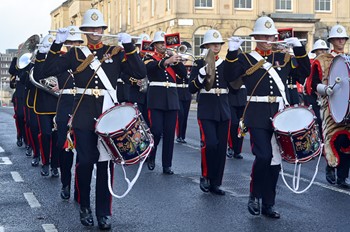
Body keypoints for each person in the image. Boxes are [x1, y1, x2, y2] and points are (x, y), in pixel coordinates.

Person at [42, 8, 146, 230]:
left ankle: (104, 212)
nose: (96, 31)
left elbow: (139, 74)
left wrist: (130, 47)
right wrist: (55, 45)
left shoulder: (115, 52)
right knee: (86, 162)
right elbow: (46, 69)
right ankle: (84, 207)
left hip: (108, 116)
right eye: (91, 28)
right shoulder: (76, 54)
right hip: (83, 116)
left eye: (99, 28)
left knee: (105, 166)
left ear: (102, 30)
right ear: (85, 31)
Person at [224, 16, 310, 218]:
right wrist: (231, 52)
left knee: (276, 161)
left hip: (280, 115)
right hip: (256, 114)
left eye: (270, 36)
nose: (267, 39)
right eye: (263, 35)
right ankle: (254, 195)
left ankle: (268, 203)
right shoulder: (245, 58)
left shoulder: (283, 57)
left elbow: (303, 73)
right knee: (263, 156)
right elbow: (230, 77)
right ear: (255, 37)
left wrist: (298, 49)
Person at [189, 29, 231, 195]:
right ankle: (205, 175)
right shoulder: (199, 64)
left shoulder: (226, 64)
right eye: (212, 44)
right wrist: (200, 76)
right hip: (207, 107)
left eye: (218, 44)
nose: (216, 46)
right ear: (205, 45)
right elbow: (191, 88)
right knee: (210, 143)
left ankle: (216, 182)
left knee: (221, 147)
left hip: (224, 107)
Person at [310, 24, 350, 189]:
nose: (340, 41)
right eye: (337, 38)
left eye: (343, 38)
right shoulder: (322, 60)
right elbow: (313, 85)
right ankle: (331, 166)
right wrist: (326, 90)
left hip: (348, 106)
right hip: (330, 105)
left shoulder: (349, 58)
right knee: (331, 138)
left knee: (347, 141)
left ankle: (342, 176)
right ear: (332, 40)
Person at [144, 30, 187, 174]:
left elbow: (182, 74)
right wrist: (166, 61)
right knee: (156, 131)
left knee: (169, 133)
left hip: (172, 98)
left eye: (164, 43)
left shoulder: (173, 58)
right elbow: (149, 69)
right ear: (154, 45)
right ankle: (151, 154)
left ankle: (166, 164)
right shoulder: (149, 58)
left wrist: (175, 60)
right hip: (156, 98)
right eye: (159, 43)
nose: (163, 46)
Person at [33, 34, 60, 177]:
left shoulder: (59, 59)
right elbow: (37, 76)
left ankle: (55, 164)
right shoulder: (40, 60)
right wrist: (40, 55)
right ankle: (45, 163)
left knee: (56, 136)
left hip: (57, 104)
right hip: (43, 105)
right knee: (46, 134)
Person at [304, 39, 329, 142]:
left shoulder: (329, 63)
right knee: (316, 119)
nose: (322, 52)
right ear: (315, 52)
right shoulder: (311, 63)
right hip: (313, 95)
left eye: (324, 50)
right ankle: (317, 141)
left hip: (326, 95)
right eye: (320, 50)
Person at [226, 83, 246, 159]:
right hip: (231, 96)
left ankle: (238, 150)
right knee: (233, 124)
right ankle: (231, 147)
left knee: (242, 126)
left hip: (243, 96)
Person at [175, 55, 192, 144]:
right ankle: (178, 135)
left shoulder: (190, 69)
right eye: (182, 60)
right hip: (178, 93)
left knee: (185, 116)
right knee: (180, 115)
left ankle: (183, 136)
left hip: (187, 94)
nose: (184, 61)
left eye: (185, 60)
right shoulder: (177, 68)